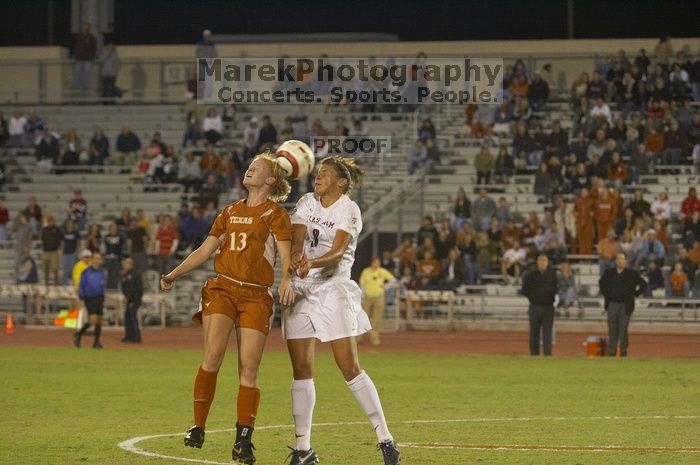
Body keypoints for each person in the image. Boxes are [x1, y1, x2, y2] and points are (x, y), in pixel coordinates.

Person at [160, 153, 294, 465]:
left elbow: (286, 255)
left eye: (258, 167)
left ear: (271, 179)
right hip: (222, 287)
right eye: (250, 166)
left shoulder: (275, 214)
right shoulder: (230, 210)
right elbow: (205, 250)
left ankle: (242, 441)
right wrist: (174, 274)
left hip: (256, 295)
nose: (250, 169)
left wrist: (286, 280)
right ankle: (198, 426)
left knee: (249, 368)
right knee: (212, 357)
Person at [284, 156, 400, 465]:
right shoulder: (307, 201)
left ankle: (385, 437)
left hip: (333, 288)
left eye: (324, 174)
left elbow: (336, 252)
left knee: (349, 367)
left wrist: (312, 262)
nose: (317, 177)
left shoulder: (349, 209)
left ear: (341, 182)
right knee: (301, 370)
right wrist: (296, 254)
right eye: (317, 172)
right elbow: (297, 235)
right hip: (301, 290)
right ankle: (303, 449)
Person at [599, 253, 647, 357]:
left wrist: (635, 294)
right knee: (612, 330)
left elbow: (643, 284)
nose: (620, 261)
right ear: (615, 261)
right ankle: (611, 352)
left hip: (625, 305)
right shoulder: (609, 273)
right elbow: (601, 284)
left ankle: (623, 352)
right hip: (612, 304)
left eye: (622, 259)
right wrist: (607, 294)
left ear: (626, 262)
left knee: (623, 330)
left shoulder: (632, 273)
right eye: (618, 259)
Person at [521, 254, 558, 356]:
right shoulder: (530, 275)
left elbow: (556, 289)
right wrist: (533, 297)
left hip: (548, 307)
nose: (543, 263)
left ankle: (547, 353)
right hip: (535, 306)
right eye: (541, 260)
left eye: (545, 260)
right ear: (537, 262)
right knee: (534, 332)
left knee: (548, 332)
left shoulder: (552, 275)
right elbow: (525, 290)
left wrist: (550, 295)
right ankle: (534, 353)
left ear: (547, 262)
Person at [358, 257, 396, 345]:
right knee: (363, 317)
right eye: (375, 262)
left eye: (378, 262)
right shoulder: (366, 271)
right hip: (367, 296)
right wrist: (361, 295)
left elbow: (393, 279)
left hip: (379, 296)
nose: (377, 264)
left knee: (377, 318)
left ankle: (374, 338)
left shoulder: (382, 271)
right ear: (372, 263)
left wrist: (386, 287)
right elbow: (362, 284)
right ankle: (358, 338)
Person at [73, 252, 106, 349]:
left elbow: (102, 286)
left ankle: (96, 342)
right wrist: (81, 297)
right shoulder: (86, 272)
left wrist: (103, 297)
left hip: (99, 297)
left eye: (98, 258)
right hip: (89, 298)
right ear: (92, 260)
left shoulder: (101, 272)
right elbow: (81, 286)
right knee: (93, 320)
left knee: (99, 321)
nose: (97, 260)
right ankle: (78, 334)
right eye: (95, 258)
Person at [121, 257, 143, 343]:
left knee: (132, 317)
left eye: (126, 263)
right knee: (127, 317)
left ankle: (136, 337)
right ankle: (128, 336)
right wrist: (126, 296)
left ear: (130, 264)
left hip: (135, 299)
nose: (124, 265)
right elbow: (124, 287)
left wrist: (130, 297)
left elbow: (136, 288)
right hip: (129, 299)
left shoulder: (135, 274)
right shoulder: (125, 274)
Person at [72, 22, 97, 91]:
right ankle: (76, 87)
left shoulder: (92, 38)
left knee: (87, 73)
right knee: (77, 72)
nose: (86, 28)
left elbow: (94, 48)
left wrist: (92, 57)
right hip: (79, 58)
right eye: (85, 27)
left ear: (89, 28)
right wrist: (75, 56)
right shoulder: (79, 36)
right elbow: (76, 47)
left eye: (87, 27)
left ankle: (86, 87)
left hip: (88, 59)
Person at [40, 216, 62, 286]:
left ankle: (56, 283)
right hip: (45, 251)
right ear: (48, 222)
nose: (51, 223)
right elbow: (42, 238)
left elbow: (60, 238)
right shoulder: (44, 229)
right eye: (49, 221)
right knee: (46, 268)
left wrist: (59, 247)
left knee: (55, 268)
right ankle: (46, 282)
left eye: (52, 221)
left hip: (54, 251)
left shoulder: (57, 229)